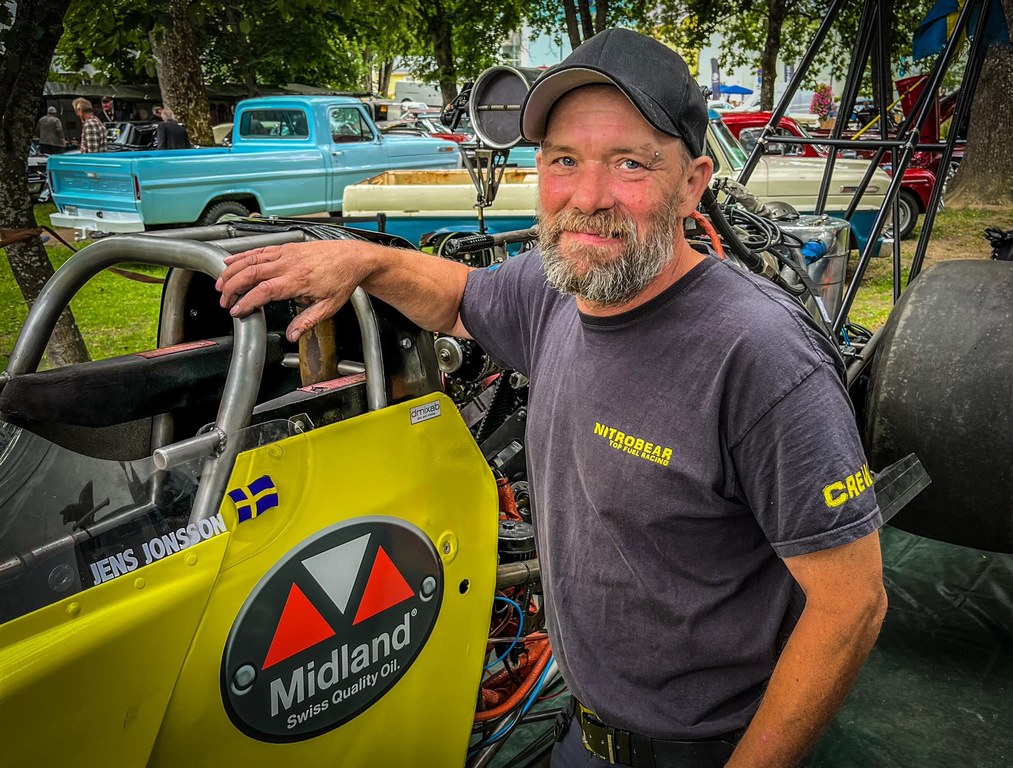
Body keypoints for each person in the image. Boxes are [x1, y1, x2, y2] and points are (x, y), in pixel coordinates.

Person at [217, 29, 886, 768]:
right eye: (565, 161)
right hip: (585, 728)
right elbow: (459, 296)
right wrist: (365, 260)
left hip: (704, 749)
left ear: (693, 183)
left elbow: (851, 604)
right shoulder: (553, 290)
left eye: (630, 163)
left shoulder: (760, 358)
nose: (589, 198)